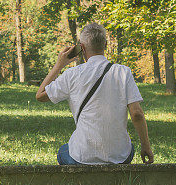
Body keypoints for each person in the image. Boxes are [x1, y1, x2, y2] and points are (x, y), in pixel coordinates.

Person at [36, 22, 155, 165]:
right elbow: (137, 114)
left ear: (82, 47)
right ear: (105, 45)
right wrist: (146, 146)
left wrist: (59, 65)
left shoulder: (72, 74)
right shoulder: (123, 72)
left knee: (63, 151)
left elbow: (40, 95)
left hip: (82, 157)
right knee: (130, 148)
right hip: (119, 157)